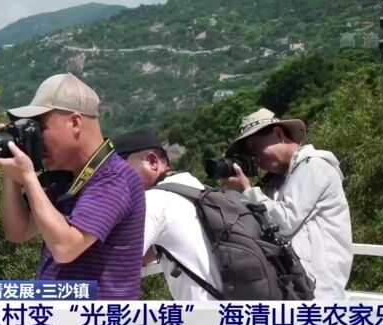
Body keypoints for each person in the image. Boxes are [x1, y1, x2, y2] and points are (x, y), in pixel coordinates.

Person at [0, 73, 146, 300]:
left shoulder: (113, 178)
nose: (36, 139)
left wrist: (28, 177)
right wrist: (11, 171)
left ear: (75, 122)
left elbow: (65, 248)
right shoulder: (67, 179)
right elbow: (18, 231)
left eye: (40, 127)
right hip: (62, 323)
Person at [224, 108, 353, 300]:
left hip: (320, 291)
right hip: (295, 287)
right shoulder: (276, 181)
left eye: (256, 149)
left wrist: (246, 191)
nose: (256, 159)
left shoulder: (315, 166)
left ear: (278, 134)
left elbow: (284, 222)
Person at [113, 129, 223, 300]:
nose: (114, 182)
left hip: (208, 320)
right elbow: (148, 254)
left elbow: (117, 263)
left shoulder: (152, 201)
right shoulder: (196, 188)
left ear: (152, 161)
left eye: (119, 171)